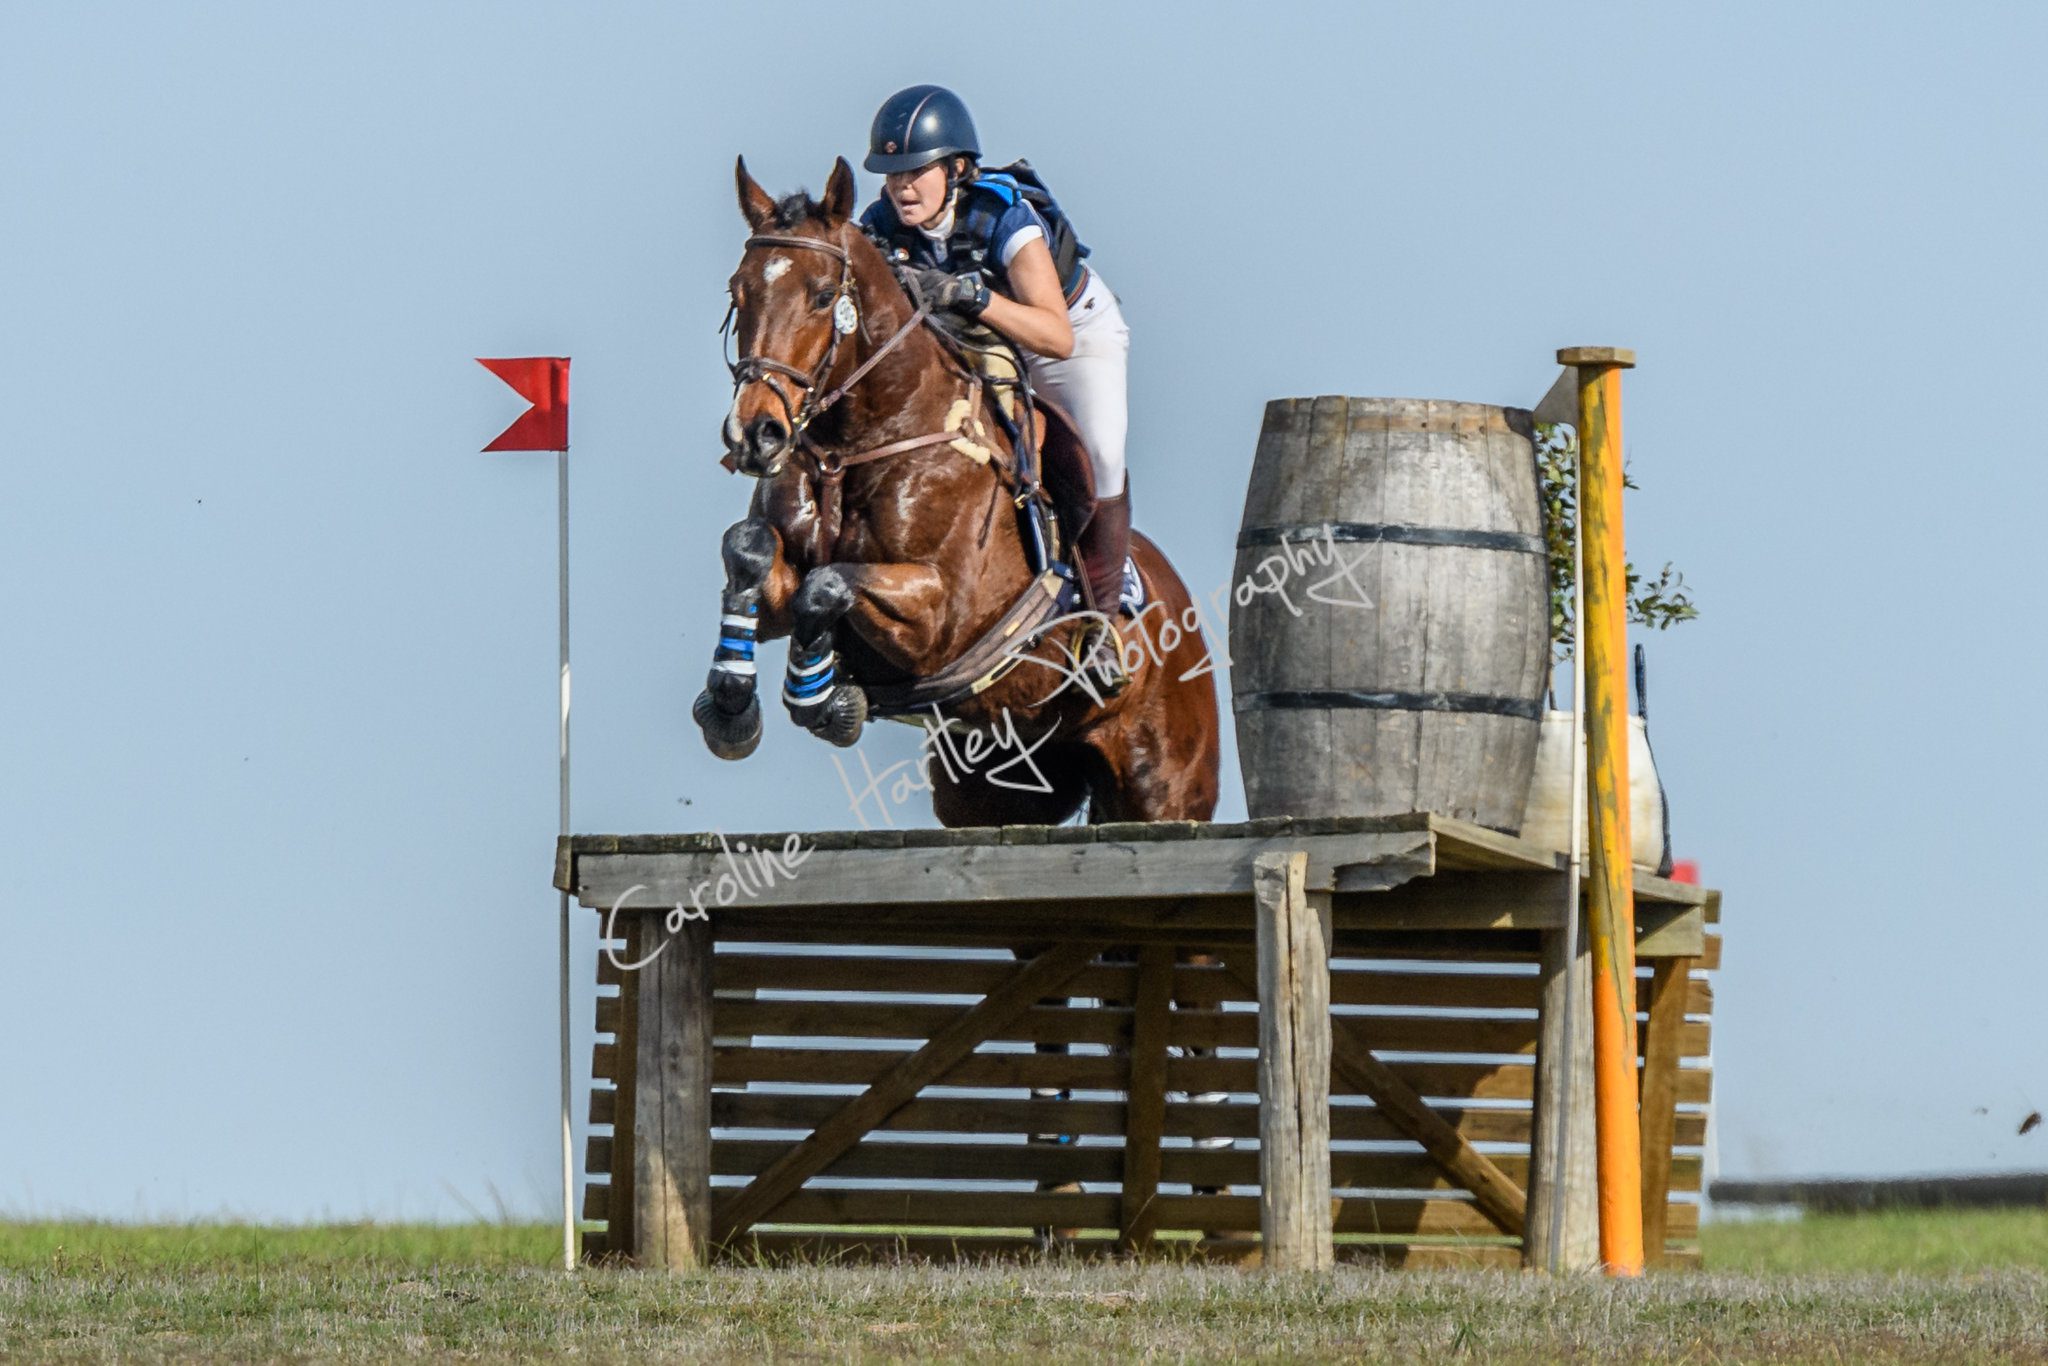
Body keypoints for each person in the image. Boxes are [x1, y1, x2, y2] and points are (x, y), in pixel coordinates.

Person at [858, 84, 1137, 691]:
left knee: (1101, 451)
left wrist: (974, 295)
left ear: (957, 169)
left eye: (916, 172)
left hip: (1069, 330)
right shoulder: (879, 227)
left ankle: (1105, 613)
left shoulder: (1003, 216)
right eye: (893, 174)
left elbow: (1053, 336)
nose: (902, 187)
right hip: (978, 340)